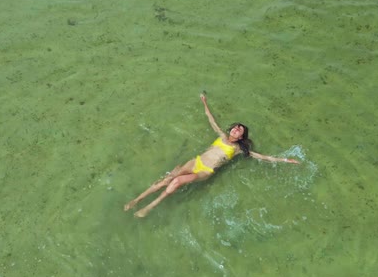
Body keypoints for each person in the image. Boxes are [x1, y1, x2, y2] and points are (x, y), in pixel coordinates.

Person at [124, 93, 300, 218]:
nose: (237, 129)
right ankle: (137, 199)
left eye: (241, 130)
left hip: (206, 170)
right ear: (231, 129)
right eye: (236, 127)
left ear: (241, 137)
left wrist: (286, 160)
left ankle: (150, 206)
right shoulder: (222, 136)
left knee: (176, 182)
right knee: (168, 178)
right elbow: (211, 120)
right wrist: (204, 102)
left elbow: (262, 157)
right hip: (196, 161)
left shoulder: (239, 149)